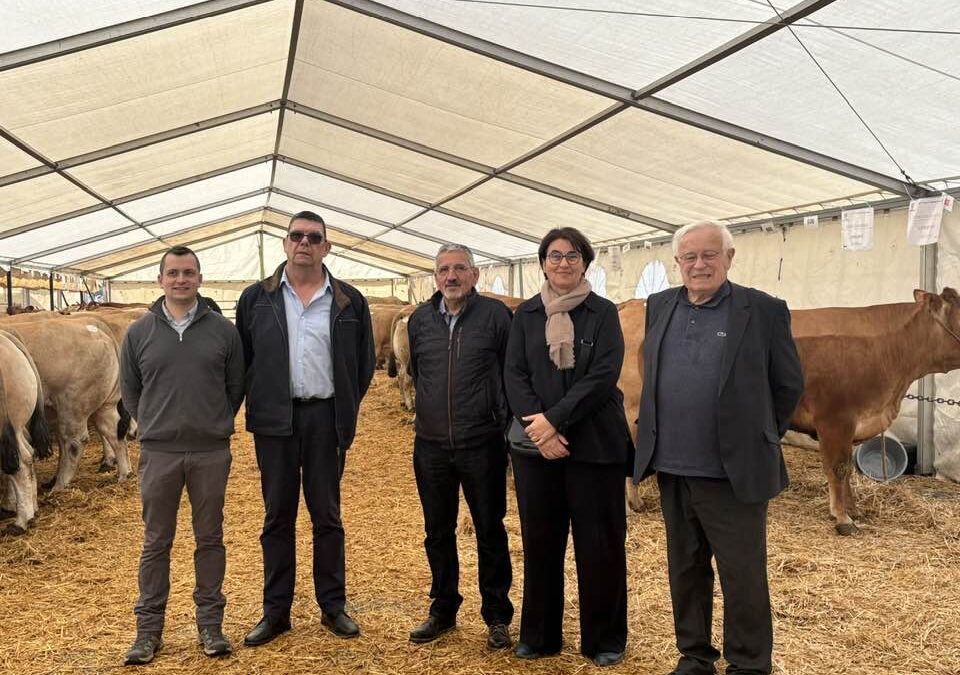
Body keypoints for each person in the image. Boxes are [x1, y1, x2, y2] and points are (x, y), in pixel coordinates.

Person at [633, 220, 804, 675]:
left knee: (741, 573)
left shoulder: (762, 309)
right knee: (686, 570)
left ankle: (748, 664)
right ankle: (694, 656)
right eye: (689, 256)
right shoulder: (659, 304)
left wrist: (756, 436)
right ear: (677, 262)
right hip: (672, 466)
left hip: (732, 472)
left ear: (729, 257)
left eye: (709, 254)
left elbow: (788, 383)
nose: (699, 264)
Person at [236, 210, 375, 646]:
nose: (304, 244)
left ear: (326, 247)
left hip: (325, 418)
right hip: (275, 421)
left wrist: (344, 407)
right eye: (297, 236)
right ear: (285, 243)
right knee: (277, 516)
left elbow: (363, 364)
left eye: (314, 238)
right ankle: (276, 612)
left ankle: (332, 606)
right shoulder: (256, 299)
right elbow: (244, 360)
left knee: (327, 515)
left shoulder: (349, 300)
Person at [503, 227, 633, 667]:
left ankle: (605, 638)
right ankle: (539, 636)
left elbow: (603, 375)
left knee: (601, 545)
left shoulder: (603, 313)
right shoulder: (526, 315)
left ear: (585, 263)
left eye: (572, 256)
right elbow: (514, 374)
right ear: (543, 263)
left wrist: (553, 420)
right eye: (555, 255)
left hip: (595, 445)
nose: (563, 263)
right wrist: (539, 429)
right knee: (540, 543)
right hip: (538, 449)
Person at [120, 246, 245, 665]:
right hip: (159, 452)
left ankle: (210, 625)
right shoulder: (139, 333)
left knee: (210, 538)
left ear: (199, 279)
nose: (180, 280)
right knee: (156, 541)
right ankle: (147, 631)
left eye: (188, 273)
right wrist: (154, 423)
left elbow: (235, 386)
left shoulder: (223, 332)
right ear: (160, 280)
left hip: (210, 451)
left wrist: (214, 421)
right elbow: (131, 391)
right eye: (172, 273)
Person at [406, 244, 514, 649]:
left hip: (482, 442)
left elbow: (509, 373)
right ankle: (443, 609)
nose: (451, 277)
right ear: (436, 277)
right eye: (443, 270)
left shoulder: (495, 317)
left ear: (475, 274)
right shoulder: (420, 320)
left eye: (459, 269)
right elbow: (418, 372)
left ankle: (497, 615)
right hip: (431, 444)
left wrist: (501, 425)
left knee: (489, 529)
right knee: (437, 530)